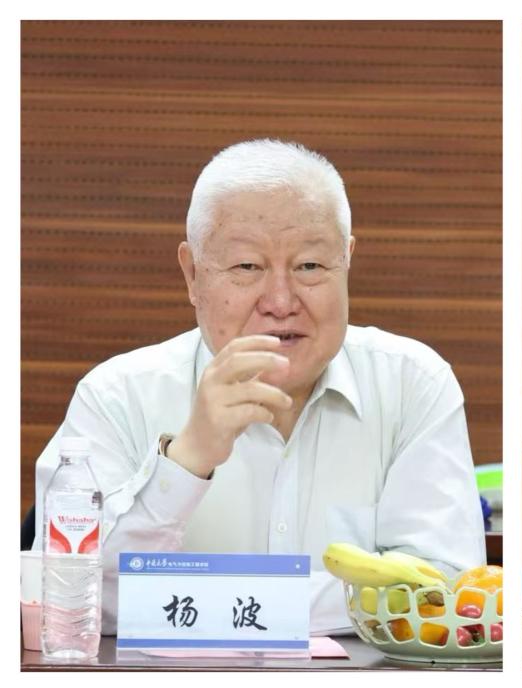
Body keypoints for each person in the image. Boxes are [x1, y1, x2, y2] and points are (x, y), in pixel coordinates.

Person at [31, 139, 486, 634]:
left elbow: (441, 588)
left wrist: (190, 600)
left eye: (310, 266)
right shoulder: (116, 395)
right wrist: (186, 461)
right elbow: (64, 596)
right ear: (192, 275)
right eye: (247, 267)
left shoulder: (413, 384)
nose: (281, 301)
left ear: (347, 261)